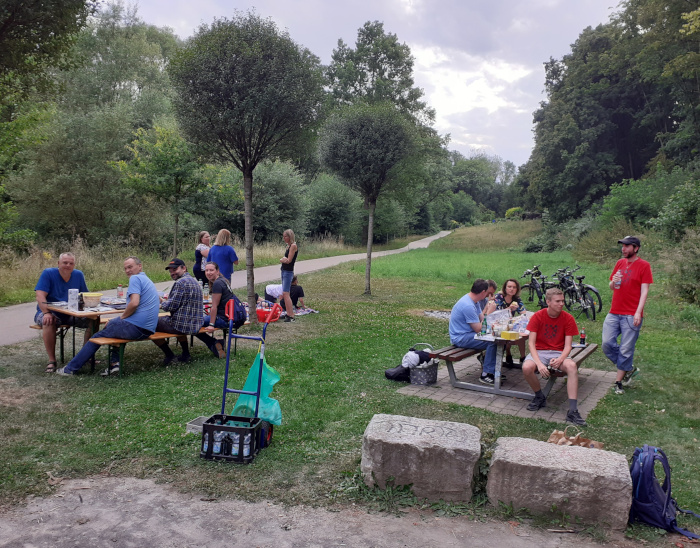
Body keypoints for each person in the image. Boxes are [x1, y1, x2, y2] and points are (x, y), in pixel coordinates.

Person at [57, 256, 160, 377]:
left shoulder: (135, 278)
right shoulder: (146, 279)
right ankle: (115, 365)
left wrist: (121, 318)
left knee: (98, 336)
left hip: (137, 328)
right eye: (125, 268)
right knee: (113, 329)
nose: (127, 270)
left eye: (130, 267)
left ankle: (70, 369)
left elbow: (134, 303)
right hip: (148, 329)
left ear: (139, 266)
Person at [522, 288, 587, 426]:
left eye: (562, 301)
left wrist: (560, 359)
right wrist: (539, 364)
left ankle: (573, 410)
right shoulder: (537, 316)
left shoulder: (568, 318)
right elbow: (531, 344)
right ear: (548, 302)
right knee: (527, 367)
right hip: (539, 351)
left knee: (572, 366)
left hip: (558, 352)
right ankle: (539, 396)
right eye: (558, 301)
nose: (561, 304)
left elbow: (568, 346)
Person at [602, 236, 653, 395]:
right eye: (622, 246)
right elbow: (612, 286)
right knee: (607, 344)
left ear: (635, 248)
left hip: (632, 314)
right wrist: (613, 281)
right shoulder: (619, 263)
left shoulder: (644, 266)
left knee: (625, 349)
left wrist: (638, 312)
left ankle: (619, 382)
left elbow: (645, 291)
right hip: (614, 312)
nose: (623, 249)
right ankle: (628, 368)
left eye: (627, 246)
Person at [34, 252, 91, 373]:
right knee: (48, 321)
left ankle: (85, 356)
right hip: (49, 312)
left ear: (74, 265)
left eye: (71, 263)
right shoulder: (48, 273)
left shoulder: (78, 275)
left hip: (71, 313)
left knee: (94, 320)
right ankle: (52, 361)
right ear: (58, 263)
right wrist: (46, 312)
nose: (68, 265)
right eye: (65, 262)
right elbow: (40, 296)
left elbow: (85, 295)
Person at [448, 278, 501, 385]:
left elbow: (482, 320)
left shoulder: (473, 301)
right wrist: (489, 313)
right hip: (461, 337)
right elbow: (478, 328)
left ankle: (494, 370)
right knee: (493, 340)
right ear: (482, 292)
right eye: (487, 293)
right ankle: (486, 374)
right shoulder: (468, 305)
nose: (487, 296)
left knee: (497, 338)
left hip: (469, 334)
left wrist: (488, 313)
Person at [154, 258, 204, 365]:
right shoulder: (194, 281)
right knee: (178, 319)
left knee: (150, 324)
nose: (172, 273)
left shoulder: (180, 283)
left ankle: (169, 355)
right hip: (195, 324)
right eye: (170, 270)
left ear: (184, 268)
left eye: (175, 269)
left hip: (182, 325)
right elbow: (179, 303)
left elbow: (170, 307)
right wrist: (165, 302)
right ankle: (186, 353)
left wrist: (161, 303)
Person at [194, 261, 232, 358]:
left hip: (223, 319)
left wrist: (211, 325)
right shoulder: (223, 280)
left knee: (192, 324)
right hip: (228, 316)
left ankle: (213, 343)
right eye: (206, 270)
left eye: (211, 270)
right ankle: (216, 343)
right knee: (198, 320)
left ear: (217, 271)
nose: (208, 272)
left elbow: (214, 306)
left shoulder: (217, 284)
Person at [494, 278, 527, 366]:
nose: (512, 289)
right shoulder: (499, 297)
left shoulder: (516, 299)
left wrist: (524, 315)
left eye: (514, 287)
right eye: (509, 287)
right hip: (498, 324)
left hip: (510, 324)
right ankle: (508, 354)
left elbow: (523, 312)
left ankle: (523, 357)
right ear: (505, 288)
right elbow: (496, 314)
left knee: (521, 334)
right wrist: (509, 309)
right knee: (508, 333)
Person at [280, 228, 298, 323]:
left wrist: (283, 259)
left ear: (290, 236)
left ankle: (291, 315)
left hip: (288, 272)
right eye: (283, 236)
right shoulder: (288, 246)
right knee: (284, 293)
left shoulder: (293, 246)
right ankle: (288, 313)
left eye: (285, 236)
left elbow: (289, 260)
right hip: (284, 270)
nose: (284, 238)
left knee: (286, 294)